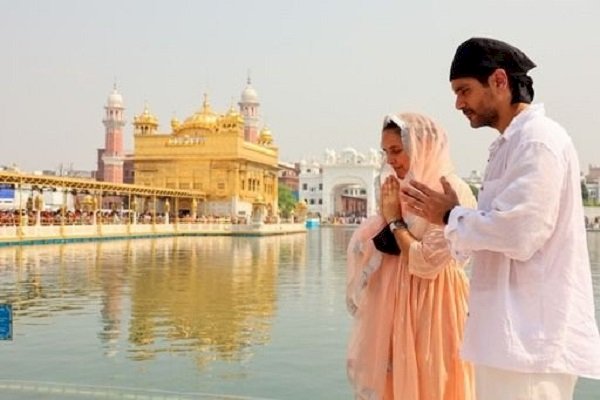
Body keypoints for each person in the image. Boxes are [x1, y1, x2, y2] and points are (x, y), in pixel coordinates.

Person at [401, 37, 600, 399]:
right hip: (507, 341)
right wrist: (454, 217)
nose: (458, 103)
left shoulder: (538, 141)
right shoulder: (509, 145)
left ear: (498, 81)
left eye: (464, 90)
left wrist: (448, 214)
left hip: (532, 344)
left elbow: (519, 234)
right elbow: (497, 230)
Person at [346, 112, 477, 399]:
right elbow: (385, 242)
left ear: (421, 146)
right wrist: (388, 219)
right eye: (386, 152)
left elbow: (426, 262)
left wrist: (394, 220)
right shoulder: (400, 187)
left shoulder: (451, 190)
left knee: (432, 381)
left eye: (396, 150)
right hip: (396, 302)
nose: (390, 160)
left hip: (434, 303)